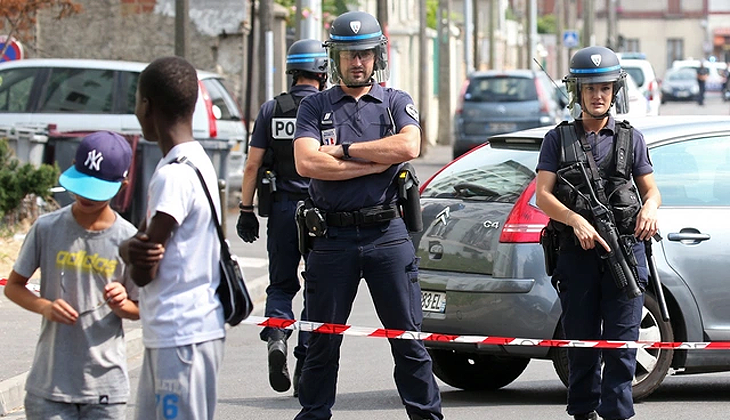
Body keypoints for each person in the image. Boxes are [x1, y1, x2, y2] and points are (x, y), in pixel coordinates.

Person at [291, 10, 443, 420]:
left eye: (364, 54)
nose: (357, 62)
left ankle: (426, 415)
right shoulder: (314, 106)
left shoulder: (396, 102)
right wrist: (377, 160)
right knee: (322, 341)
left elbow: (409, 147)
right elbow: (306, 163)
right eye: (348, 55)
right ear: (334, 58)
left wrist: (343, 151)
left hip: (386, 234)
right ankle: (314, 413)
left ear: (378, 56)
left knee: (408, 341)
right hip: (332, 237)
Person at [535, 46, 661, 420]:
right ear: (577, 92)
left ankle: (617, 414)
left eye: (604, 87)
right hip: (577, 256)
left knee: (623, 346)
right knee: (582, 344)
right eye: (589, 88)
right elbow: (543, 195)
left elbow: (651, 189)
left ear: (615, 90)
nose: (598, 95)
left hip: (624, 251)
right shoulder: (558, 139)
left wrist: (651, 208)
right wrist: (575, 220)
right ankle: (583, 412)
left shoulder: (630, 138)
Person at [4, 131, 139, 419]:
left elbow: (142, 308)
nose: (86, 196)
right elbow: (13, 286)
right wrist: (45, 307)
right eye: (83, 185)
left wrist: (122, 304)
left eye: (97, 189)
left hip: (105, 390)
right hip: (49, 387)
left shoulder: (129, 239)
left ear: (123, 183)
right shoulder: (46, 228)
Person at [119, 56, 226, 420]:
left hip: (180, 334)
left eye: (137, 101)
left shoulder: (172, 176)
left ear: (146, 106)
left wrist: (125, 249)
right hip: (184, 331)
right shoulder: (196, 160)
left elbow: (144, 269)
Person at [236, 38, 327, 396]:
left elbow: (251, 166)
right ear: (322, 71)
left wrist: (246, 210)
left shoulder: (271, 109)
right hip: (321, 211)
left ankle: (277, 336)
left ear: (292, 71)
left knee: (281, 285)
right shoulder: (326, 109)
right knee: (316, 289)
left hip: (283, 209)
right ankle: (305, 358)